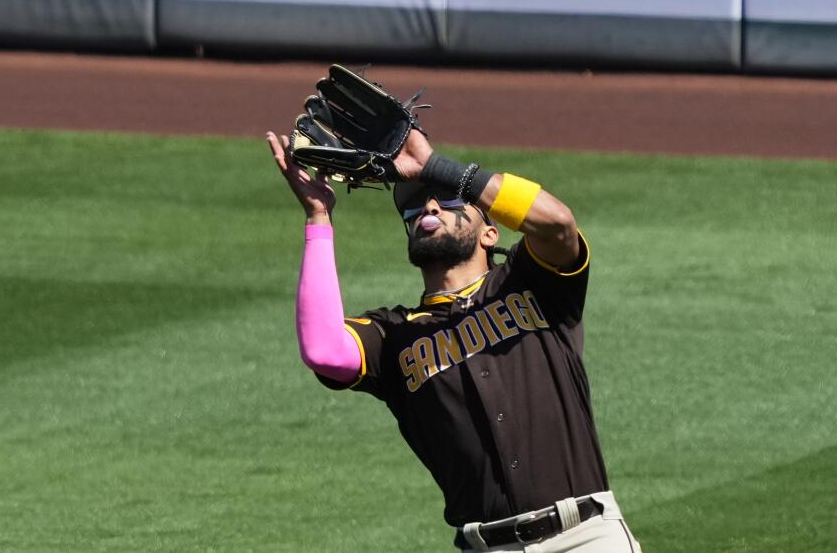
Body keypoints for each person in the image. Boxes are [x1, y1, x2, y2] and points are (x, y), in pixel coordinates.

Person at [266, 121, 640, 552]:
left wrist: (437, 166)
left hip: (586, 536)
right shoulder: (393, 337)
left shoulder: (532, 284)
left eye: (446, 199)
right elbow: (323, 349)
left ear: (489, 232)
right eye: (414, 207)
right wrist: (318, 218)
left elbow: (557, 224)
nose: (428, 206)